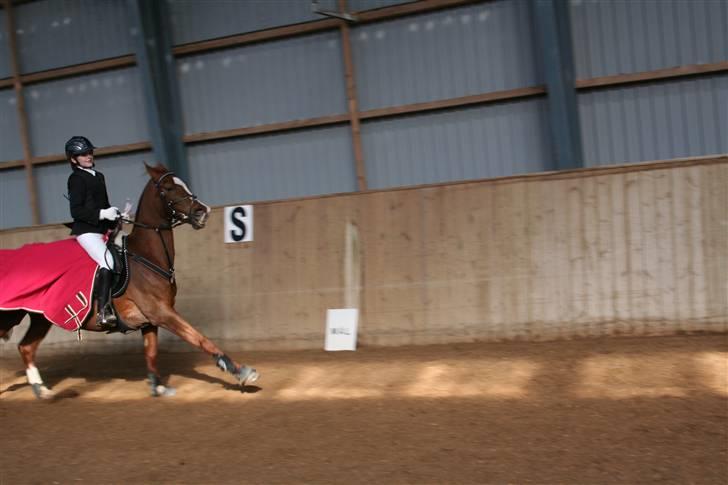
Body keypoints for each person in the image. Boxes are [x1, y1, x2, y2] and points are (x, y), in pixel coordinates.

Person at [65, 136, 120, 330]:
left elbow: (103, 204)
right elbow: (76, 211)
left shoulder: (99, 176)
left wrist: (113, 216)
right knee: (107, 262)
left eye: (89, 152)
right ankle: (103, 311)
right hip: (87, 232)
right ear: (74, 159)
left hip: (102, 228)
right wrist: (102, 213)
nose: (88, 156)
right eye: (83, 154)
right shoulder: (76, 179)